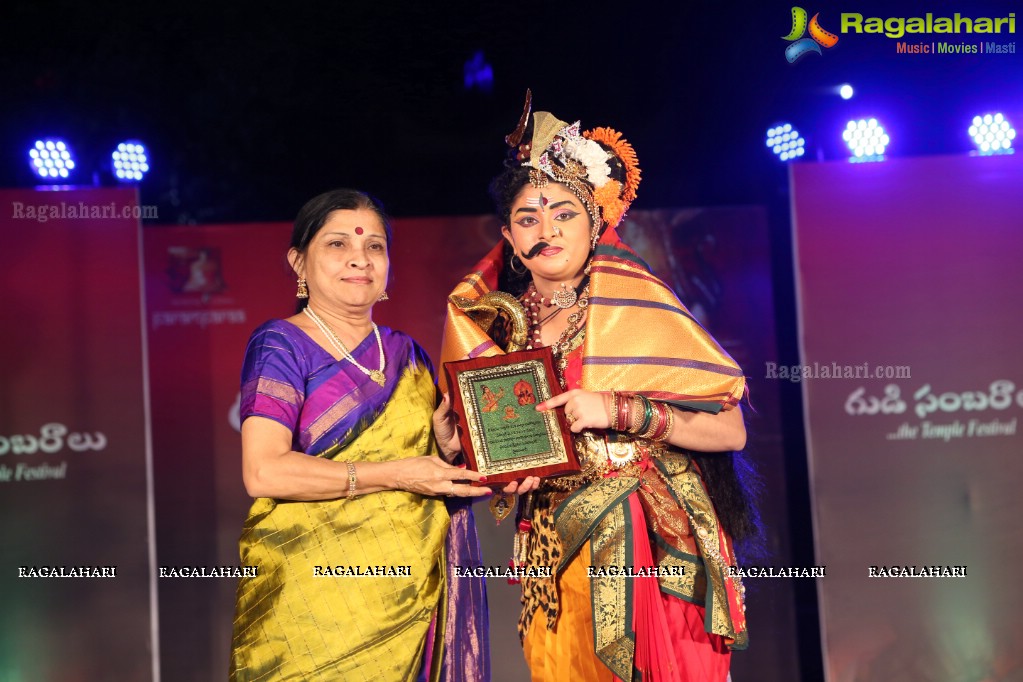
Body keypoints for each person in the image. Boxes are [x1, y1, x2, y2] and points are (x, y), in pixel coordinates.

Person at [440, 96, 760, 681]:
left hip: (646, 533)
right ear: (510, 239)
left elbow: (730, 428)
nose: (547, 230)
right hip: (545, 543)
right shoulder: (497, 330)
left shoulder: (637, 309)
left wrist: (618, 408)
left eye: (564, 213)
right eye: (528, 218)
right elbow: (500, 455)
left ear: (595, 225)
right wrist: (457, 443)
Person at [229, 188, 495, 681]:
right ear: (298, 262)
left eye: (375, 246)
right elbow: (264, 471)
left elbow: (426, 471)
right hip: (315, 602)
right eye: (338, 245)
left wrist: (448, 448)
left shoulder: (407, 353)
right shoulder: (282, 344)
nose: (360, 259)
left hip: (412, 591)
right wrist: (401, 473)